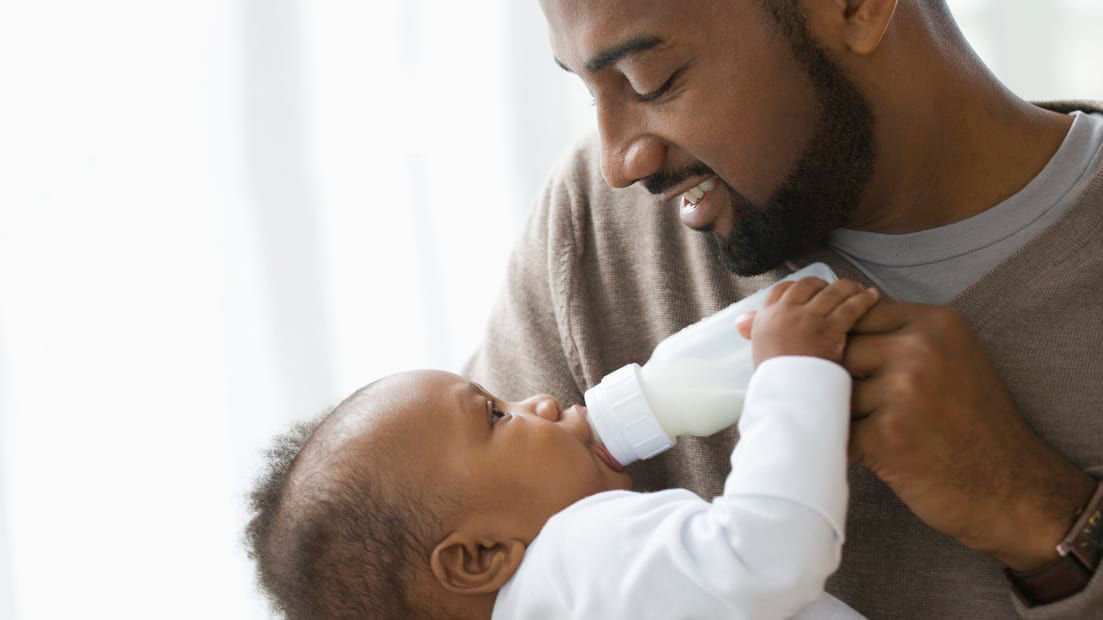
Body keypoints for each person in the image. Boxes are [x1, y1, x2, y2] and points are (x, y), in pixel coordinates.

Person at [465, 0, 1103, 617]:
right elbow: (435, 567)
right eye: (588, 90)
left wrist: (1039, 511)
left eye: (650, 81)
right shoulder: (600, 231)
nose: (618, 165)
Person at [245, 279, 879, 619]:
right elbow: (766, 552)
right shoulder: (578, 557)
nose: (541, 403)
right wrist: (793, 371)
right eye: (496, 415)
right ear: (480, 556)